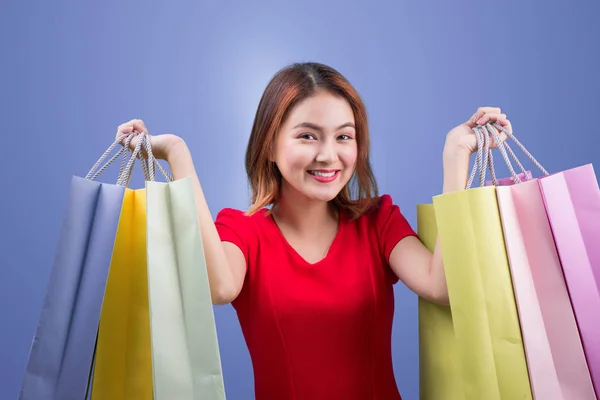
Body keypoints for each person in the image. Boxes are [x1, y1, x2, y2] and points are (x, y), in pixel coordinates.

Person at [115, 62, 511, 400]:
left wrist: (456, 155)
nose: (328, 155)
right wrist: (177, 152)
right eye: (307, 135)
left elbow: (441, 287)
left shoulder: (378, 222)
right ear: (269, 145)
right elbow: (220, 288)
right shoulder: (243, 232)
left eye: (344, 136)